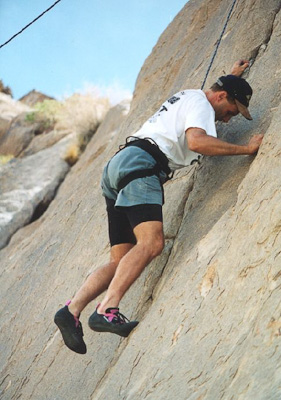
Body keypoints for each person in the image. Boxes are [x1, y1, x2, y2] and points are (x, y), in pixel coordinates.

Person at [54, 60, 263, 354]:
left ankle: (71, 310)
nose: (228, 120)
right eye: (232, 111)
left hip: (118, 168)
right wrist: (246, 150)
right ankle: (107, 309)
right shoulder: (203, 105)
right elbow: (198, 141)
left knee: (121, 261)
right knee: (151, 244)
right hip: (142, 167)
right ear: (220, 97)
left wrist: (233, 75)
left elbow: (216, 96)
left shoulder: (192, 96)